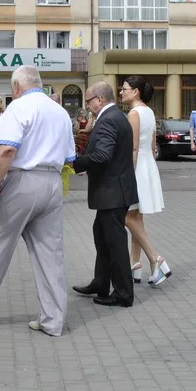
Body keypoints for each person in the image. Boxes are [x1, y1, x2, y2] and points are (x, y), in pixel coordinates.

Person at [0, 66, 75, 336]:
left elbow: (6, 149)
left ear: (17, 86)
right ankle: (53, 320)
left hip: (22, 180)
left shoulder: (18, 108)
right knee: (50, 254)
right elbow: (69, 156)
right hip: (52, 183)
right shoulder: (61, 113)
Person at [72, 81, 139, 308]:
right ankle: (100, 283)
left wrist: (74, 164)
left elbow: (102, 155)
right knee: (102, 237)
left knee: (115, 243)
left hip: (113, 191)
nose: (88, 105)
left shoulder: (109, 119)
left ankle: (123, 294)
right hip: (114, 191)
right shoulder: (115, 116)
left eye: (89, 100)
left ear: (99, 99)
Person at [119, 76, 171, 288]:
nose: (121, 92)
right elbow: (151, 145)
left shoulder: (134, 113)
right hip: (147, 165)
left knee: (128, 217)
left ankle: (155, 258)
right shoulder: (149, 111)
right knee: (136, 217)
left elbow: (132, 147)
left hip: (137, 166)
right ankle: (135, 263)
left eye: (125, 89)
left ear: (136, 92)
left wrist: (127, 175)